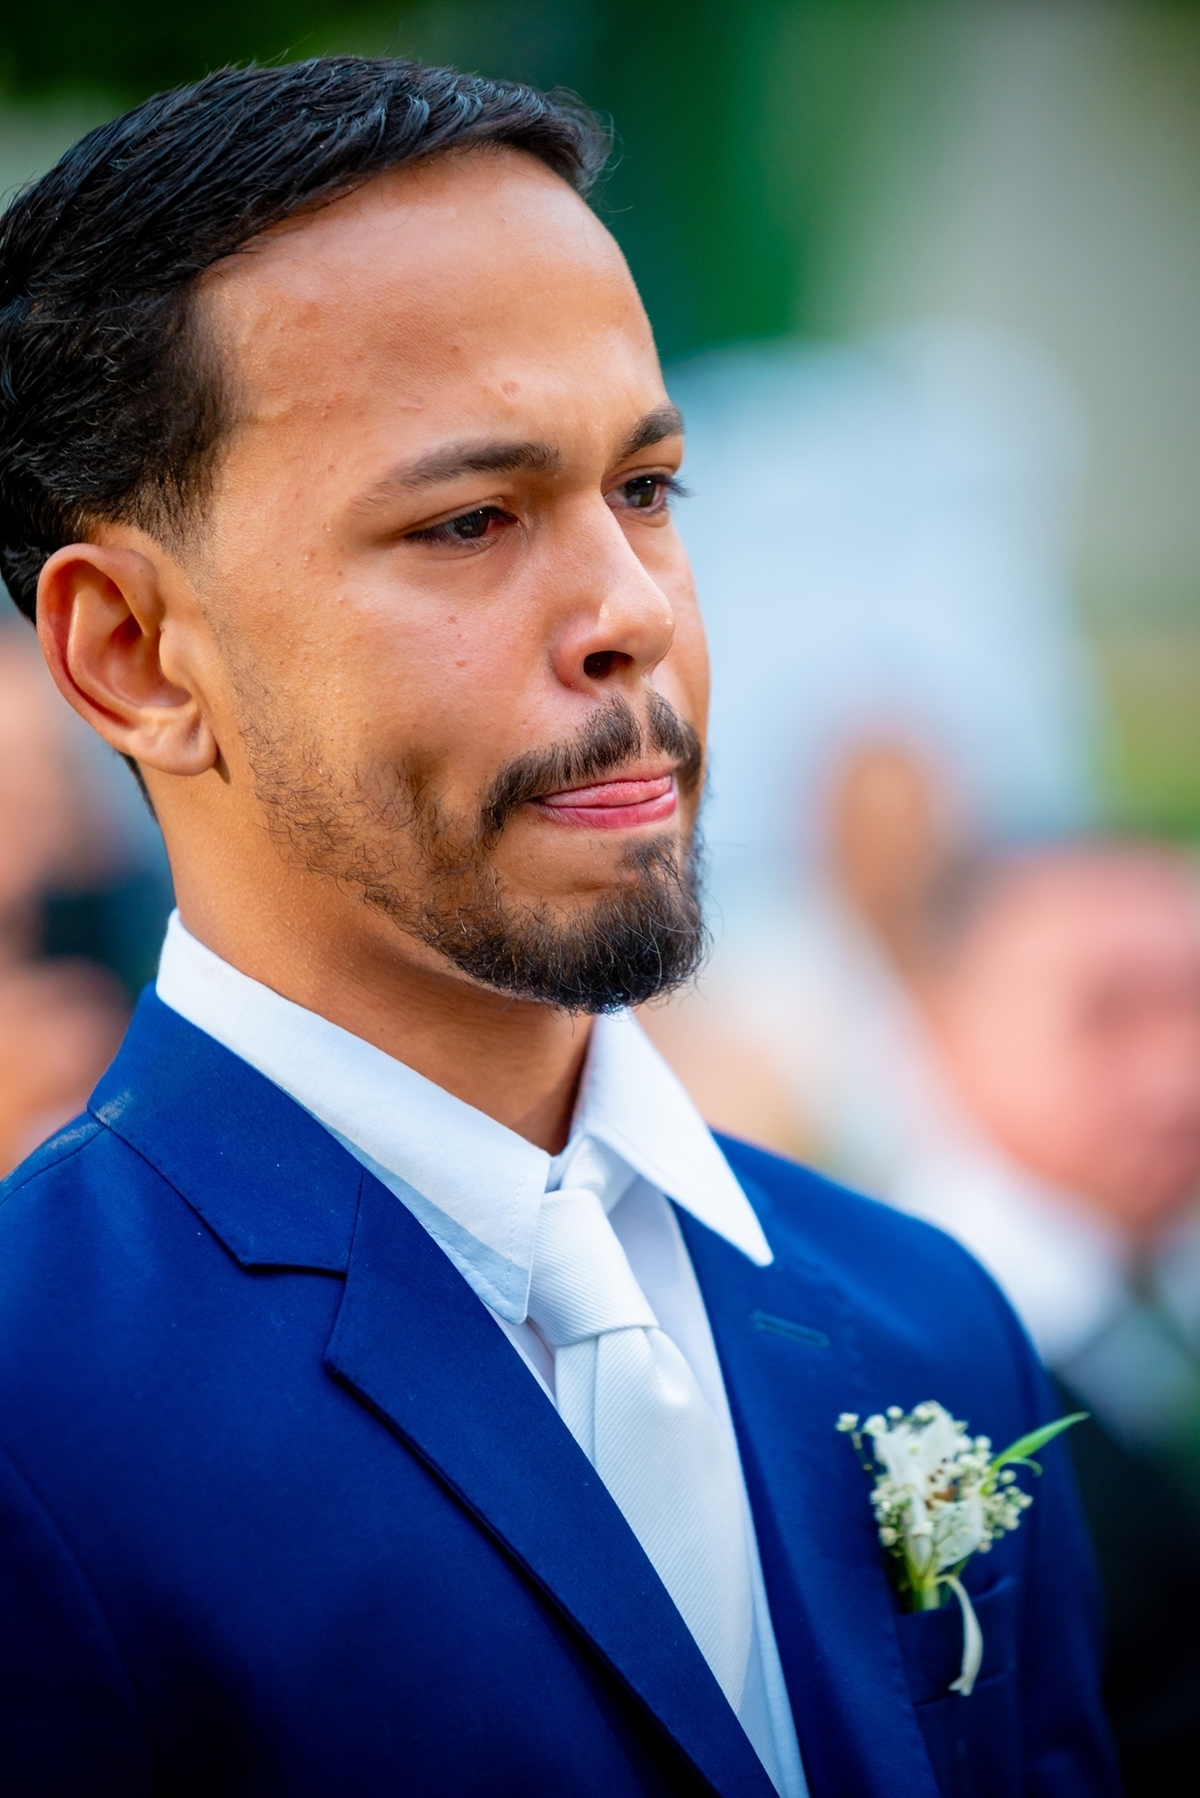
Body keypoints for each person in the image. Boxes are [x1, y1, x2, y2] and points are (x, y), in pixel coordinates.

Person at [0, 58, 1116, 1797]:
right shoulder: (35, 1422)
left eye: (650, 489)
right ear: (137, 654)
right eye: (468, 521)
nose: (627, 611)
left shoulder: (926, 1322)